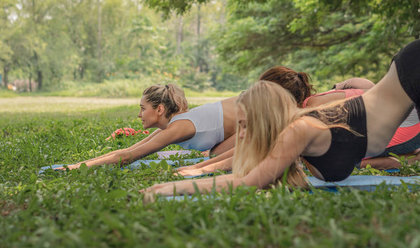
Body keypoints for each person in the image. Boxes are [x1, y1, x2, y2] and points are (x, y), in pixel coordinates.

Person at [142, 39, 420, 197]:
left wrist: (166, 189)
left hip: (410, 76)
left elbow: (247, 182)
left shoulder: (299, 129)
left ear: (264, 119)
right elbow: (249, 165)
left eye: (244, 125)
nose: (239, 135)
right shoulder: (295, 134)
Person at [56, 83, 237, 170]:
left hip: (256, 110)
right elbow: (129, 149)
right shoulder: (168, 127)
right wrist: (78, 164)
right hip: (243, 124)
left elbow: (128, 157)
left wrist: (74, 168)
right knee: (216, 154)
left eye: (143, 109)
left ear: (159, 109)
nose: (139, 114)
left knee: (222, 157)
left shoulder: (177, 127)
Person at [174, 66, 315, 176]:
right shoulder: (286, 113)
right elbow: (251, 147)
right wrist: (199, 166)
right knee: (217, 153)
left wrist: (204, 169)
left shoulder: (302, 119)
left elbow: (257, 157)